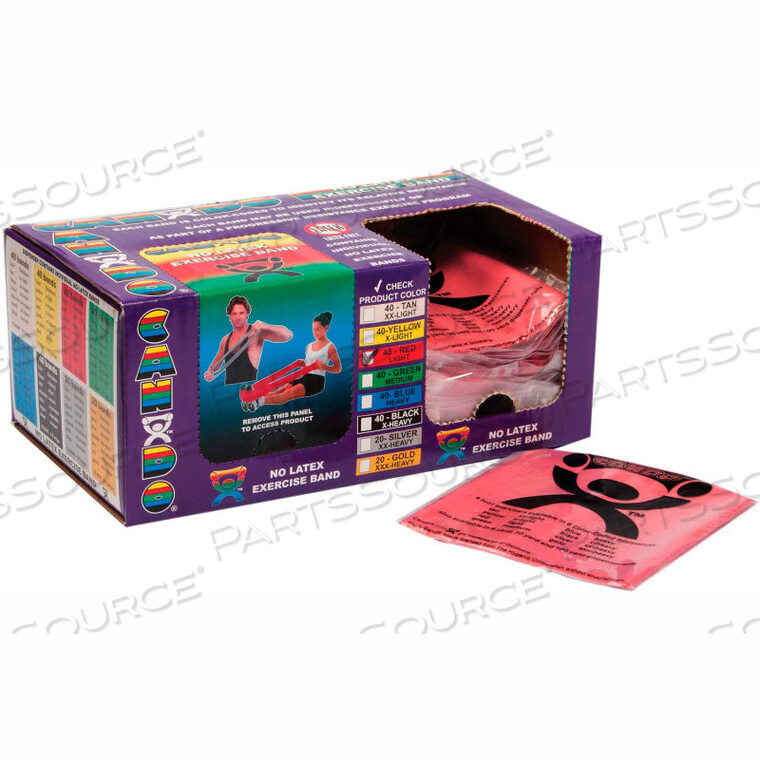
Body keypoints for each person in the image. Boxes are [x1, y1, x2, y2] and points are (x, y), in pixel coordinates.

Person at [251, 311, 341, 409]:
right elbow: (308, 365)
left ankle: (259, 402)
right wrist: (303, 363)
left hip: (317, 382)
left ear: (326, 328)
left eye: (318, 329)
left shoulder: (330, 347)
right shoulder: (309, 346)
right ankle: (255, 399)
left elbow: (338, 369)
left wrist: (323, 367)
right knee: (281, 390)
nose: (315, 332)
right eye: (313, 329)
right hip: (305, 377)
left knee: (288, 393)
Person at [203, 296, 292, 385]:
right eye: (234, 314)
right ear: (229, 316)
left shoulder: (256, 331)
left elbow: (288, 335)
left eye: (241, 313)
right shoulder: (225, 339)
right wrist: (210, 371)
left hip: (250, 387)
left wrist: (266, 326)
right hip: (229, 389)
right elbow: (217, 361)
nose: (238, 317)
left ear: (247, 314)